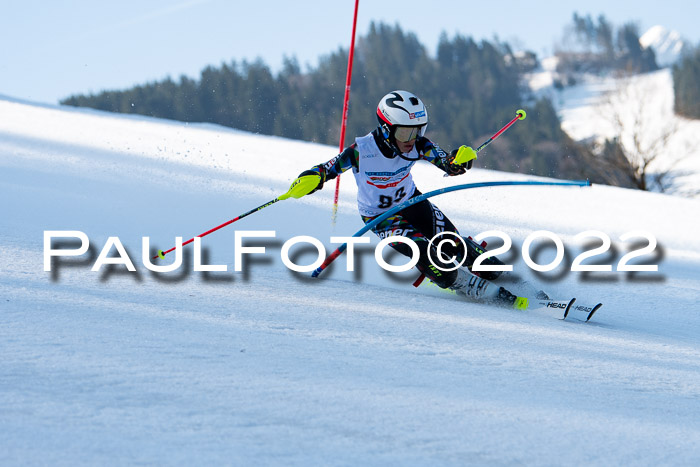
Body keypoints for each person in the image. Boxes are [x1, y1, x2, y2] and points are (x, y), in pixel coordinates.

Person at [287, 90, 525, 309]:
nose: (412, 138)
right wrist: (309, 180)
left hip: (413, 203)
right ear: (386, 128)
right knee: (423, 250)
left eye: (418, 129)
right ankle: (466, 284)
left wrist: (459, 161)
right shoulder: (362, 150)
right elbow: (327, 170)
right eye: (404, 132)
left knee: (453, 244)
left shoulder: (419, 145)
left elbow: (446, 163)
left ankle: (511, 281)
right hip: (381, 218)